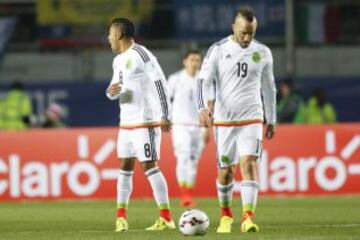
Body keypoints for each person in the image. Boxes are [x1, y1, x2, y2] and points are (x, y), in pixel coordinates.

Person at [197, 8, 277, 234]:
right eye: (243, 33)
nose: (247, 38)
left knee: (249, 163)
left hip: (252, 118)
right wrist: (201, 107)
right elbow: (202, 81)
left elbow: (269, 88)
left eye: (251, 33)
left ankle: (248, 218)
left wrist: (271, 119)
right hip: (224, 122)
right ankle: (225, 216)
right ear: (233, 27)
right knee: (225, 172)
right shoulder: (218, 50)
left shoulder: (262, 52)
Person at [106, 18, 175, 232]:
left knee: (149, 166)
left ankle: (166, 217)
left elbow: (160, 82)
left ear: (119, 34)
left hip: (145, 121)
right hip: (126, 123)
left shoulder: (141, 54)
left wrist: (166, 114)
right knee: (124, 168)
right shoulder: (118, 60)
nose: (108, 38)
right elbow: (112, 89)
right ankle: (121, 218)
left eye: (110, 33)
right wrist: (111, 92)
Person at [167, 50, 214, 207]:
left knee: (193, 162)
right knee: (183, 156)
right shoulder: (175, 79)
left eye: (198, 60)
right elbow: (165, 100)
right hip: (180, 125)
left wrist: (208, 128)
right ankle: (184, 194)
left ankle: (188, 193)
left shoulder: (205, 79)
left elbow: (210, 104)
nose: (195, 63)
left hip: (199, 126)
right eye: (192, 59)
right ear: (184, 61)